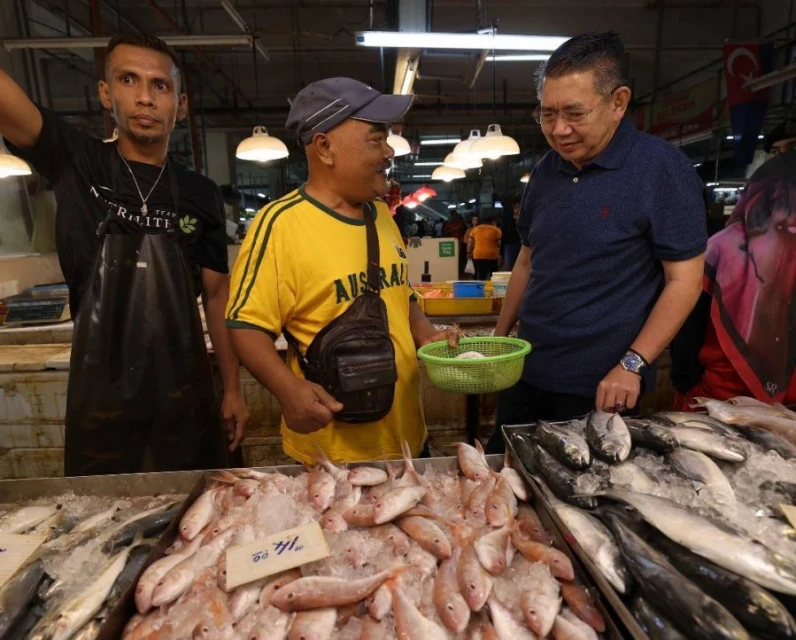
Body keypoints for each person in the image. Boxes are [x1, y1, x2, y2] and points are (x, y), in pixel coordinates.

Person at [0, 33, 249, 474]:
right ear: (105, 93)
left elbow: (216, 297)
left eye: (160, 86)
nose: (145, 98)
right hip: (101, 404)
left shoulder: (201, 194)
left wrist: (233, 387)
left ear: (181, 104)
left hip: (186, 399)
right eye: (128, 80)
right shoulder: (74, 159)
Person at [487, 31, 706, 453]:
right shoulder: (547, 171)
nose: (559, 129)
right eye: (547, 114)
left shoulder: (660, 170)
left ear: (618, 102)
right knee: (505, 477)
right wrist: (498, 343)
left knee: (583, 499)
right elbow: (528, 263)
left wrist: (633, 364)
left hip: (602, 386)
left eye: (574, 113)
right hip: (525, 372)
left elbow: (685, 282)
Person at [226, 77, 456, 464]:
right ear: (325, 147)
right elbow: (246, 325)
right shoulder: (280, 224)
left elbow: (399, 296)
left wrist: (430, 336)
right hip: (330, 454)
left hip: (406, 438)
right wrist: (287, 389)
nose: (387, 152)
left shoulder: (382, 215)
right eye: (375, 139)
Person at [671, 152, 796, 408]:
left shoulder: (719, 248)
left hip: (716, 400)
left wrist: (686, 382)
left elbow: (686, 327)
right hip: (786, 409)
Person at [467, 216, 502, 280]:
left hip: (478, 254)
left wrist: (469, 253)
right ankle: (492, 288)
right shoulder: (496, 229)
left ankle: (481, 288)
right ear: (492, 222)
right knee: (493, 275)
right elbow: (500, 243)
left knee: (481, 274)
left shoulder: (475, 229)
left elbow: (470, 243)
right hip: (492, 255)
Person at [501, 200, 522, 270]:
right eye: (516, 208)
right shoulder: (508, 221)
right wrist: (501, 251)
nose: (518, 210)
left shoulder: (525, 221)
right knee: (508, 266)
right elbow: (504, 235)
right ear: (513, 209)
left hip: (521, 245)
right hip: (509, 246)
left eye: (519, 208)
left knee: (520, 267)